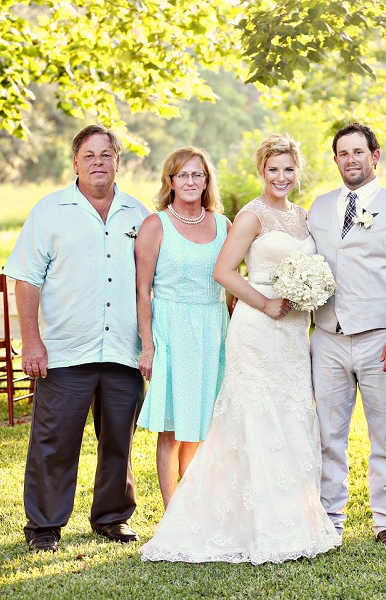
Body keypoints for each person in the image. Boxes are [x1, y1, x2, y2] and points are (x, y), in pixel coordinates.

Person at [139, 133, 341, 564]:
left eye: (289, 169)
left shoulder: (304, 218)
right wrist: (266, 301)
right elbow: (224, 272)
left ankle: (292, 515)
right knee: (252, 417)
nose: (281, 177)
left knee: (290, 416)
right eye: (273, 169)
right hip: (257, 325)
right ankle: (239, 520)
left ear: (298, 171)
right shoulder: (250, 216)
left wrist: (309, 292)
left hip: (291, 333)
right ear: (261, 171)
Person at [5, 124, 151, 552]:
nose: (98, 163)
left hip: (124, 349)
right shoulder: (50, 211)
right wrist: (32, 342)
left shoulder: (138, 214)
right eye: (89, 155)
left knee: (118, 441)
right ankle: (45, 525)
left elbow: (152, 283)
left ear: (118, 161)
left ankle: (112, 518)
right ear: (75, 162)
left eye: (106, 155)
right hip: (66, 350)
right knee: (54, 442)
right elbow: (27, 279)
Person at [308, 122, 386, 548]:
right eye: (344, 153)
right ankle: (329, 519)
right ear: (336, 159)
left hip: (380, 338)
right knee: (327, 434)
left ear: (375, 156)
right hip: (326, 337)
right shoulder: (317, 208)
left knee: (384, 432)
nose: (351, 159)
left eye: (359, 151)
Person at [135, 147, 231, 509]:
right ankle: (171, 509)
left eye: (198, 175)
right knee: (173, 426)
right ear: (171, 181)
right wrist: (148, 346)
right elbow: (142, 291)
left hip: (213, 329)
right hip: (171, 329)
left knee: (202, 421)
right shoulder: (156, 225)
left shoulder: (223, 225)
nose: (191, 182)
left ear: (207, 181)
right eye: (183, 175)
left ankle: (193, 505)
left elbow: (234, 282)